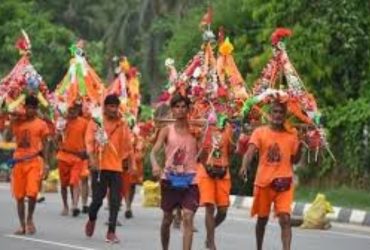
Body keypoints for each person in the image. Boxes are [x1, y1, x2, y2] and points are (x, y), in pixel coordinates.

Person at [239, 100, 302, 250]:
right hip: (264, 183)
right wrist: (244, 166)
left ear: (285, 115)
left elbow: (295, 160)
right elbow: (250, 152)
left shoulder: (292, 135)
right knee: (262, 220)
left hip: (284, 184)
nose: (278, 115)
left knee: (285, 219)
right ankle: (259, 247)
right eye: (275, 111)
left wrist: (301, 146)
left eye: (281, 112)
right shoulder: (260, 132)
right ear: (269, 114)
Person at [150, 94, 200, 250]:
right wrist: (155, 165)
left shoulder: (196, 131)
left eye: (183, 106)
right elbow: (153, 152)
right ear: (172, 110)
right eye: (177, 106)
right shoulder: (166, 130)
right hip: (170, 179)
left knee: (188, 217)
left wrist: (207, 141)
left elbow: (203, 157)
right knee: (167, 220)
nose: (180, 110)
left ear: (188, 109)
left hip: (190, 181)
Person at [84, 94, 134, 244]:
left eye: (116, 106)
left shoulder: (122, 124)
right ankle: (92, 218)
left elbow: (127, 146)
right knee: (97, 200)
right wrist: (92, 159)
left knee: (115, 201)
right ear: (105, 107)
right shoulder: (96, 122)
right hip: (99, 167)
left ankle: (111, 232)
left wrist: (130, 163)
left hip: (116, 167)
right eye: (111, 106)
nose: (114, 110)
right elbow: (89, 142)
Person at [5, 95, 51, 235]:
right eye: (28, 107)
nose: (30, 110)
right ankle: (22, 225)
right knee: (19, 196)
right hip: (18, 162)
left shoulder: (41, 124)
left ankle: (30, 218)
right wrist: (12, 122)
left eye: (33, 108)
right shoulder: (18, 121)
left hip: (34, 162)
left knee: (32, 193)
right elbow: (7, 138)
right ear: (24, 108)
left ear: (36, 109)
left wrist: (47, 163)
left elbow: (47, 144)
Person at [198, 122, 233, 250]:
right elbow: (199, 149)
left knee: (223, 212)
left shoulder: (229, 127)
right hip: (206, 172)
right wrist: (207, 166)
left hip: (223, 172)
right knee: (210, 207)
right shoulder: (205, 124)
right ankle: (211, 243)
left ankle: (209, 234)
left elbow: (231, 150)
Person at [55, 103, 88, 217]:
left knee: (75, 181)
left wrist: (86, 150)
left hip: (77, 158)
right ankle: (65, 206)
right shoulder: (62, 122)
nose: (72, 111)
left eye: (75, 108)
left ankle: (75, 206)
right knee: (64, 184)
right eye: (70, 108)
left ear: (79, 109)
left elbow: (87, 139)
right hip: (63, 156)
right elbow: (56, 140)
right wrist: (59, 132)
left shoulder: (84, 123)